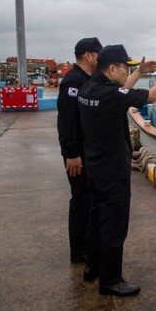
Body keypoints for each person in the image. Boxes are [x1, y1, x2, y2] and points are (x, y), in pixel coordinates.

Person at [78, 44, 156, 296]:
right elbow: (149, 97)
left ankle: (92, 268)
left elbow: (121, 90)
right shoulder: (110, 95)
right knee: (114, 227)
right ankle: (111, 281)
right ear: (112, 68)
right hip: (113, 172)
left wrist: (139, 72)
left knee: (95, 221)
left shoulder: (88, 88)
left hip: (94, 166)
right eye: (126, 68)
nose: (128, 72)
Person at [57, 37, 103, 263]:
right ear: (89, 55)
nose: (100, 57)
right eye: (99, 54)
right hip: (79, 154)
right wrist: (71, 154)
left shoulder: (88, 78)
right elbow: (66, 121)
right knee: (81, 200)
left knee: (89, 199)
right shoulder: (72, 82)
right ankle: (79, 251)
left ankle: (88, 244)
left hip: (89, 151)